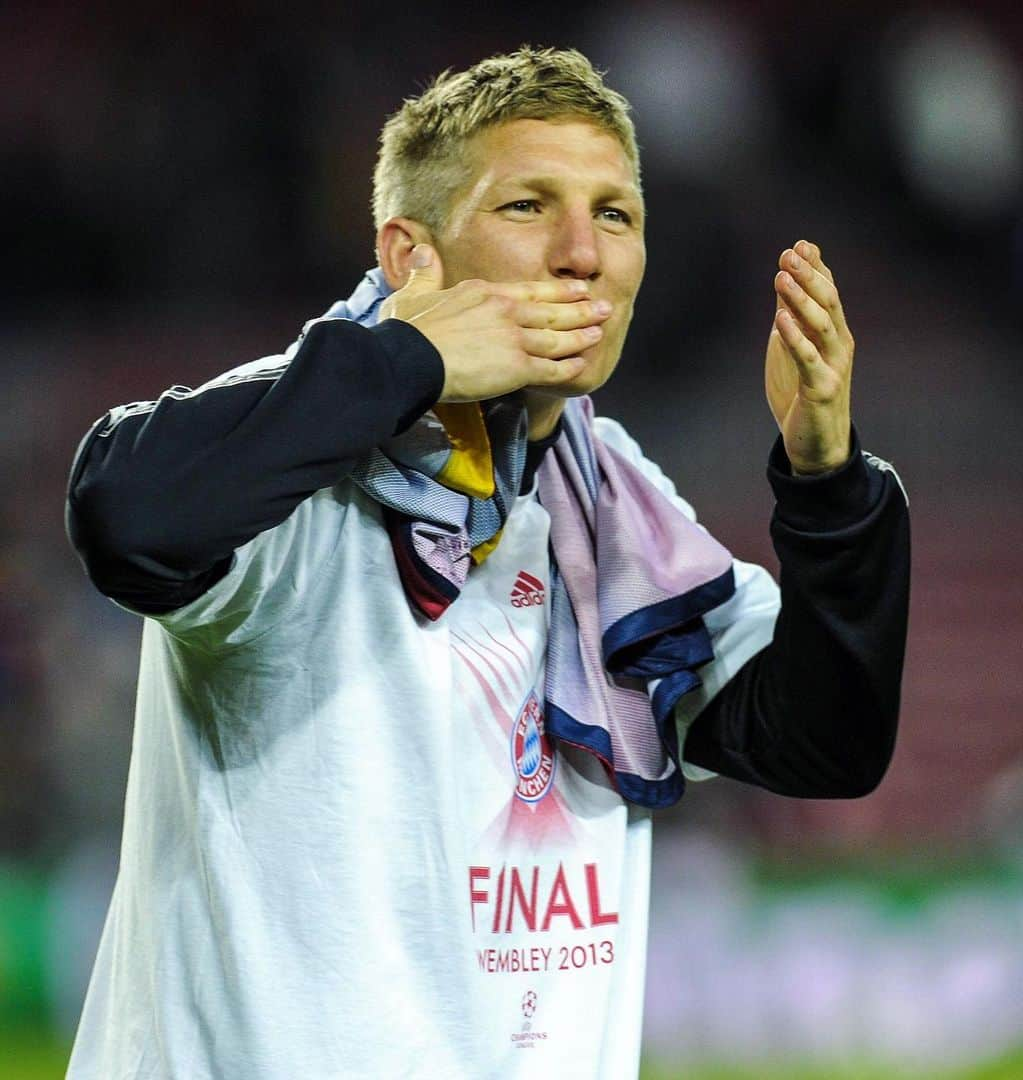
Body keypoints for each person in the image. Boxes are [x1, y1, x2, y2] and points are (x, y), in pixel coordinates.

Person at [64, 46, 909, 1080]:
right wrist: (408, 361)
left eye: (614, 214)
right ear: (410, 257)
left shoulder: (610, 502)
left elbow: (826, 742)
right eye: (526, 207)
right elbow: (126, 514)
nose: (582, 253)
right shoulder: (294, 447)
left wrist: (827, 484)